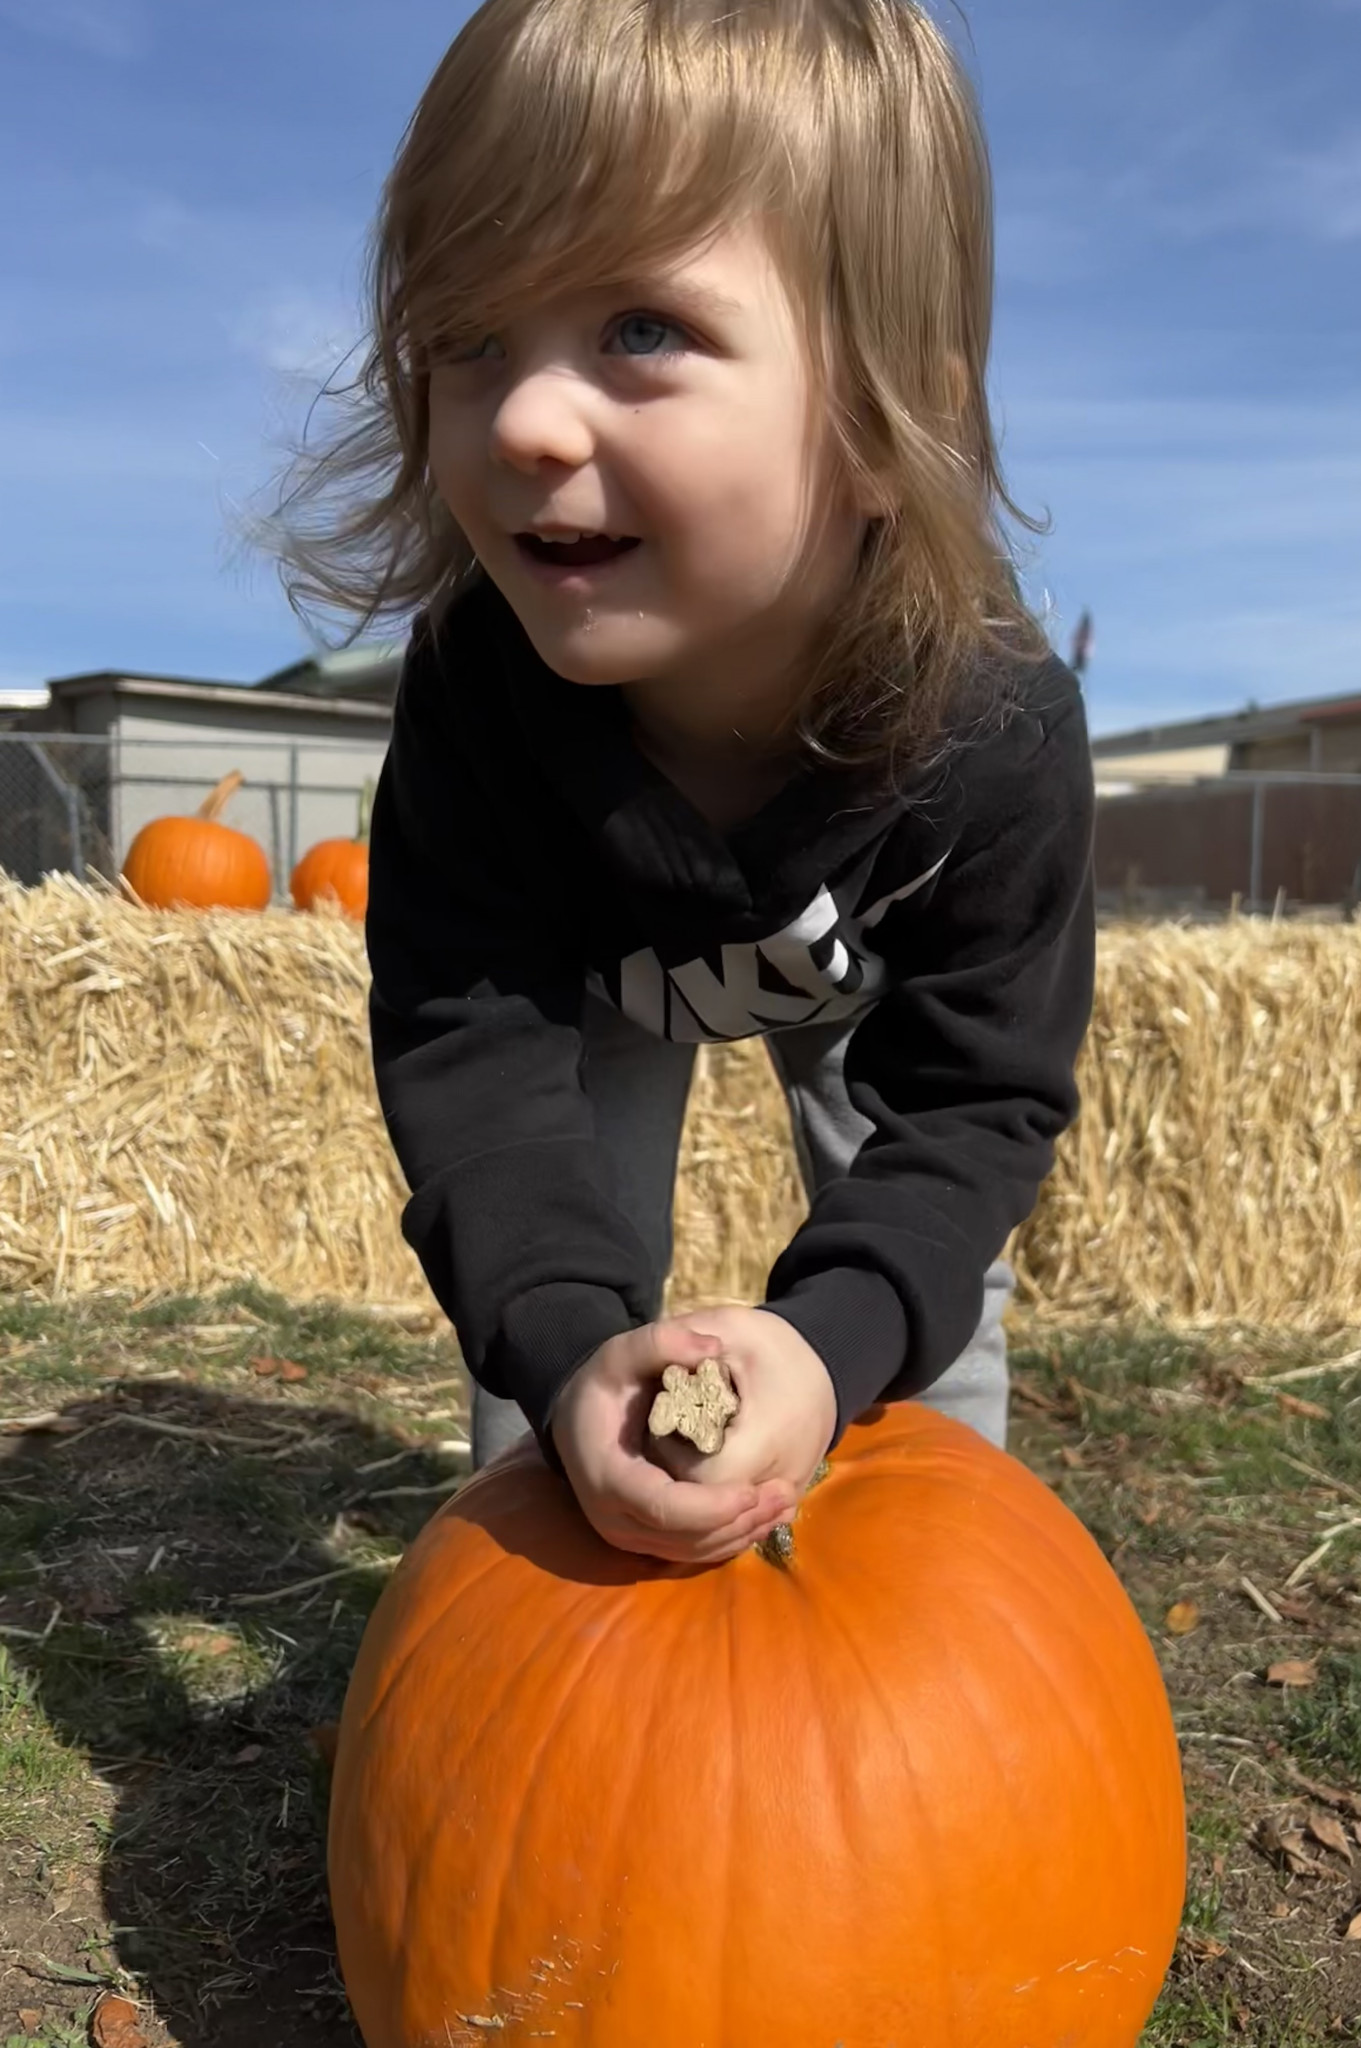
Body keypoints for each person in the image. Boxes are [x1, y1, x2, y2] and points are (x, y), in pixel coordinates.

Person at [271, 0, 1097, 1568]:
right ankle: (543, 1583)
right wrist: (570, 1352)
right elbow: (474, 1059)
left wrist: (832, 1344)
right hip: (596, 970)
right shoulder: (479, 700)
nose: (524, 418)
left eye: (642, 328)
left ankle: (931, 1588)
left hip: (860, 968)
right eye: (469, 338)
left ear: (885, 421)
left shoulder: (991, 727)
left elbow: (971, 1102)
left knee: (922, 1302)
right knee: (558, 1313)